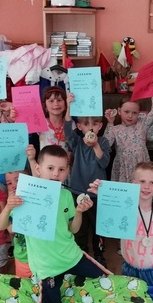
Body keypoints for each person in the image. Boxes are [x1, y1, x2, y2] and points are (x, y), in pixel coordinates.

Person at [0, 145, 106, 303]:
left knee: (105, 281)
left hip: (72, 256)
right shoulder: (25, 195)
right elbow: (1, 226)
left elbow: (74, 230)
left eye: (61, 169)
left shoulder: (66, 195)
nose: (56, 174)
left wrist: (78, 212)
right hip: (46, 267)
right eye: (50, 168)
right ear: (38, 169)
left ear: (67, 171)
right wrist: (8, 207)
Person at [89, 162, 153, 292]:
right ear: (133, 183)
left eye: (152, 182)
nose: (146, 186)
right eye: (142, 181)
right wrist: (103, 193)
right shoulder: (123, 209)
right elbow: (109, 214)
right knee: (132, 302)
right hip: (130, 268)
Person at [64, 92, 111, 265]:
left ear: (100, 126)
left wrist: (96, 145)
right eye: (85, 124)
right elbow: (66, 129)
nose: (90, 127)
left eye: (94, 124)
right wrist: (69, 106)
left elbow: (104, 162)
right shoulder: (76, 142)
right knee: (81, 226)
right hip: (78, 191)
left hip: (98, 193)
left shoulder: (103, 142)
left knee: (99, 226)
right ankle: (81, 253)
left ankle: (99, 254)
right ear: (79, 126)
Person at [103, 93, 153, 183]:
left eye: (134, 113)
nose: (130, 116)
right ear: (119, 111)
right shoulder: (115, 129)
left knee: (142, 188)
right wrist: (110, 122)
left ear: (139, 113)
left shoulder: (142, 125)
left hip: (141, 166)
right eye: (126, 112)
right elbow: (106, 144)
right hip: (123, 169)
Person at [2, 170, 32, 278]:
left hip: (41, 257)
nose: (14, 185)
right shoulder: (13, 207)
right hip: (22, 257)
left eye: (18, 180)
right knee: (23, 284)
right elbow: (11, 230)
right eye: (9, 183)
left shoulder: (38, 203)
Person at [38, 86, 70, 154]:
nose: (56, 104)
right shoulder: (40, 122)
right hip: (45, 160)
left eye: (59, 100)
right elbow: (24, 127)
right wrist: (15, 116)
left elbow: (74, 144)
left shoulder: (71, 124)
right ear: (45, 106)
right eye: (51, 101)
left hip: (64, 160)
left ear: (65, 104)